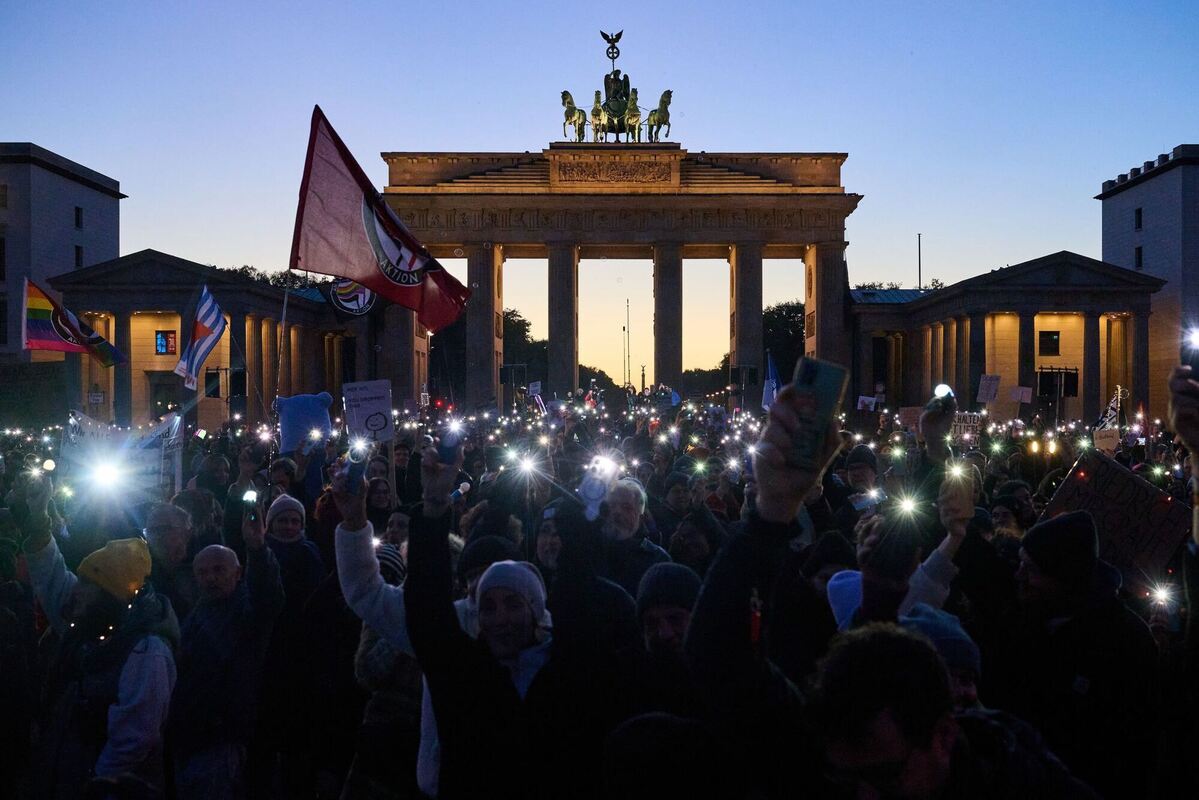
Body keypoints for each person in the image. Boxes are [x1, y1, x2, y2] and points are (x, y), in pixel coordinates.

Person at [22, 475, 179, 799]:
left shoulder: (146, 649)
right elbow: (51, 575)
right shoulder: (87, 624)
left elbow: (134, 738)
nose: (76, 591)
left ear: (112, 594)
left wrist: (94, 785)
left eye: (88, 584)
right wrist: (39, 521)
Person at [813, 624, 1097, 798]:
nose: (866, 797)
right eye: (846, 780)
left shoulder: (1033, 786)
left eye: (887, 776)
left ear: (945, 736)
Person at [169, 501, 285, 799]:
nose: (211, 578)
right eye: (203, 572)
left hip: (222, 737)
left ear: (238, 573)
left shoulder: (246, 611)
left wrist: (257, 547)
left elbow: (267, 595)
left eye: (219, 570)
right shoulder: (195, 615)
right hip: (188, 734)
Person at [601, 478, 670, 596]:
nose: (617, 512)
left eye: (627, 507)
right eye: (612, 505)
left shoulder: (657, 559)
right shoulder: (589, 551)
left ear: (641, 517)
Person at [144, 502, 198, 622]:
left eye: (164, 529)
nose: (157, 536)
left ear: (187, 532)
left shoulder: (204, 568)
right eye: (151, 531)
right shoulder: (143, 573)